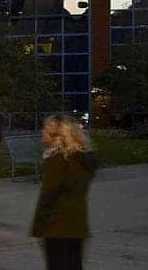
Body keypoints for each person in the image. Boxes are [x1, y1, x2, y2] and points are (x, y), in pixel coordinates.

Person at [31, 116, 99, 270]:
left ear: (57, 136)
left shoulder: (57, 160)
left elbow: (48, 195)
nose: (42, 132)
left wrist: (38, 226)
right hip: (77, 224)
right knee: (74, 264)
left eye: (46, 130)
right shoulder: (81, 159)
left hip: (57, 226)